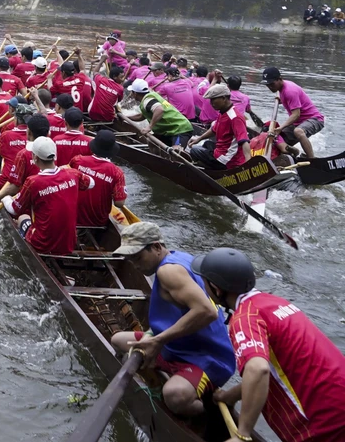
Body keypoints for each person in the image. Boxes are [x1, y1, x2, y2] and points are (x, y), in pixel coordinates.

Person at [193, 247, 345, 442]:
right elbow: (277, 370)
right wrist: (230, 396)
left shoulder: (246, 318)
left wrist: (243, 434)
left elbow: (258, 370)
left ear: (216, 287)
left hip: (323, 424)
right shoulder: (274, 303)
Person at [110, 223, 236, 417]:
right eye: (130, 259)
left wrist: (158, 341)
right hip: (175, 346)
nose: (135, 264)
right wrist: (153, 335)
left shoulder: (167, 272)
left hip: (204, 357)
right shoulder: (180, 257)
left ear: (157, 247)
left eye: (138, 257)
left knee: (174, 396)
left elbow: (207, 312)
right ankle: (162, 374)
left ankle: (206, 410)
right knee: (118, 340)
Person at [0, 135, 94, 256]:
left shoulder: (33, 181)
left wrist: (3, 197)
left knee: (22, 217)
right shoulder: (73, 174)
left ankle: (27, 250)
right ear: (55, 156)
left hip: (41, 244)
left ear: (35, 158)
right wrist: (66, 169)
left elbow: (13, 209)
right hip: (69, 242)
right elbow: (91, 183)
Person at [262, 67, 324, 159]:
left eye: (272, 84)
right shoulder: (282, 89)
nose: (270, 87)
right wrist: (282, 100)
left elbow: (296, 114)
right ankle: (289, 155)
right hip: (298, 122)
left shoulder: (290, 91)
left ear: (280, 79)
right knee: (276, 138)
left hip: (314, 120)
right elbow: (291, 101)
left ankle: (312, 160)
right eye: (267, 85)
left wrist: (281, 127)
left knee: (298, 131)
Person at [70, 130, 126, 227]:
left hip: (73, 217)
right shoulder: (117, 173)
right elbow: (119, 203)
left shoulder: (77, 160)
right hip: (98, 222)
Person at [187, 84, 251, 170]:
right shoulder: (223, 112)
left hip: (226, 160)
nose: (211, 103)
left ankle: (210, 170)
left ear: (224, 98)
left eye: (213, 99)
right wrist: (198, 138)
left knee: (194, 150)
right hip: (221, 151)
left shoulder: (235, 117)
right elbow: (214, 129)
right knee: (206, 143)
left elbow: (244, 141)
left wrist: (249, 165)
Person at [124, 78, 194, 147]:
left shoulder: (147, 100)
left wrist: (149, 127)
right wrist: (125, 117)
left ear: (135, 93)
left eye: (132, 92)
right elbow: (141, 116)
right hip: (168, 131)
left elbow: (159, 110)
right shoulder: (150, 96)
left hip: (180, 129)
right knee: (152, 141)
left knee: (176, 151)